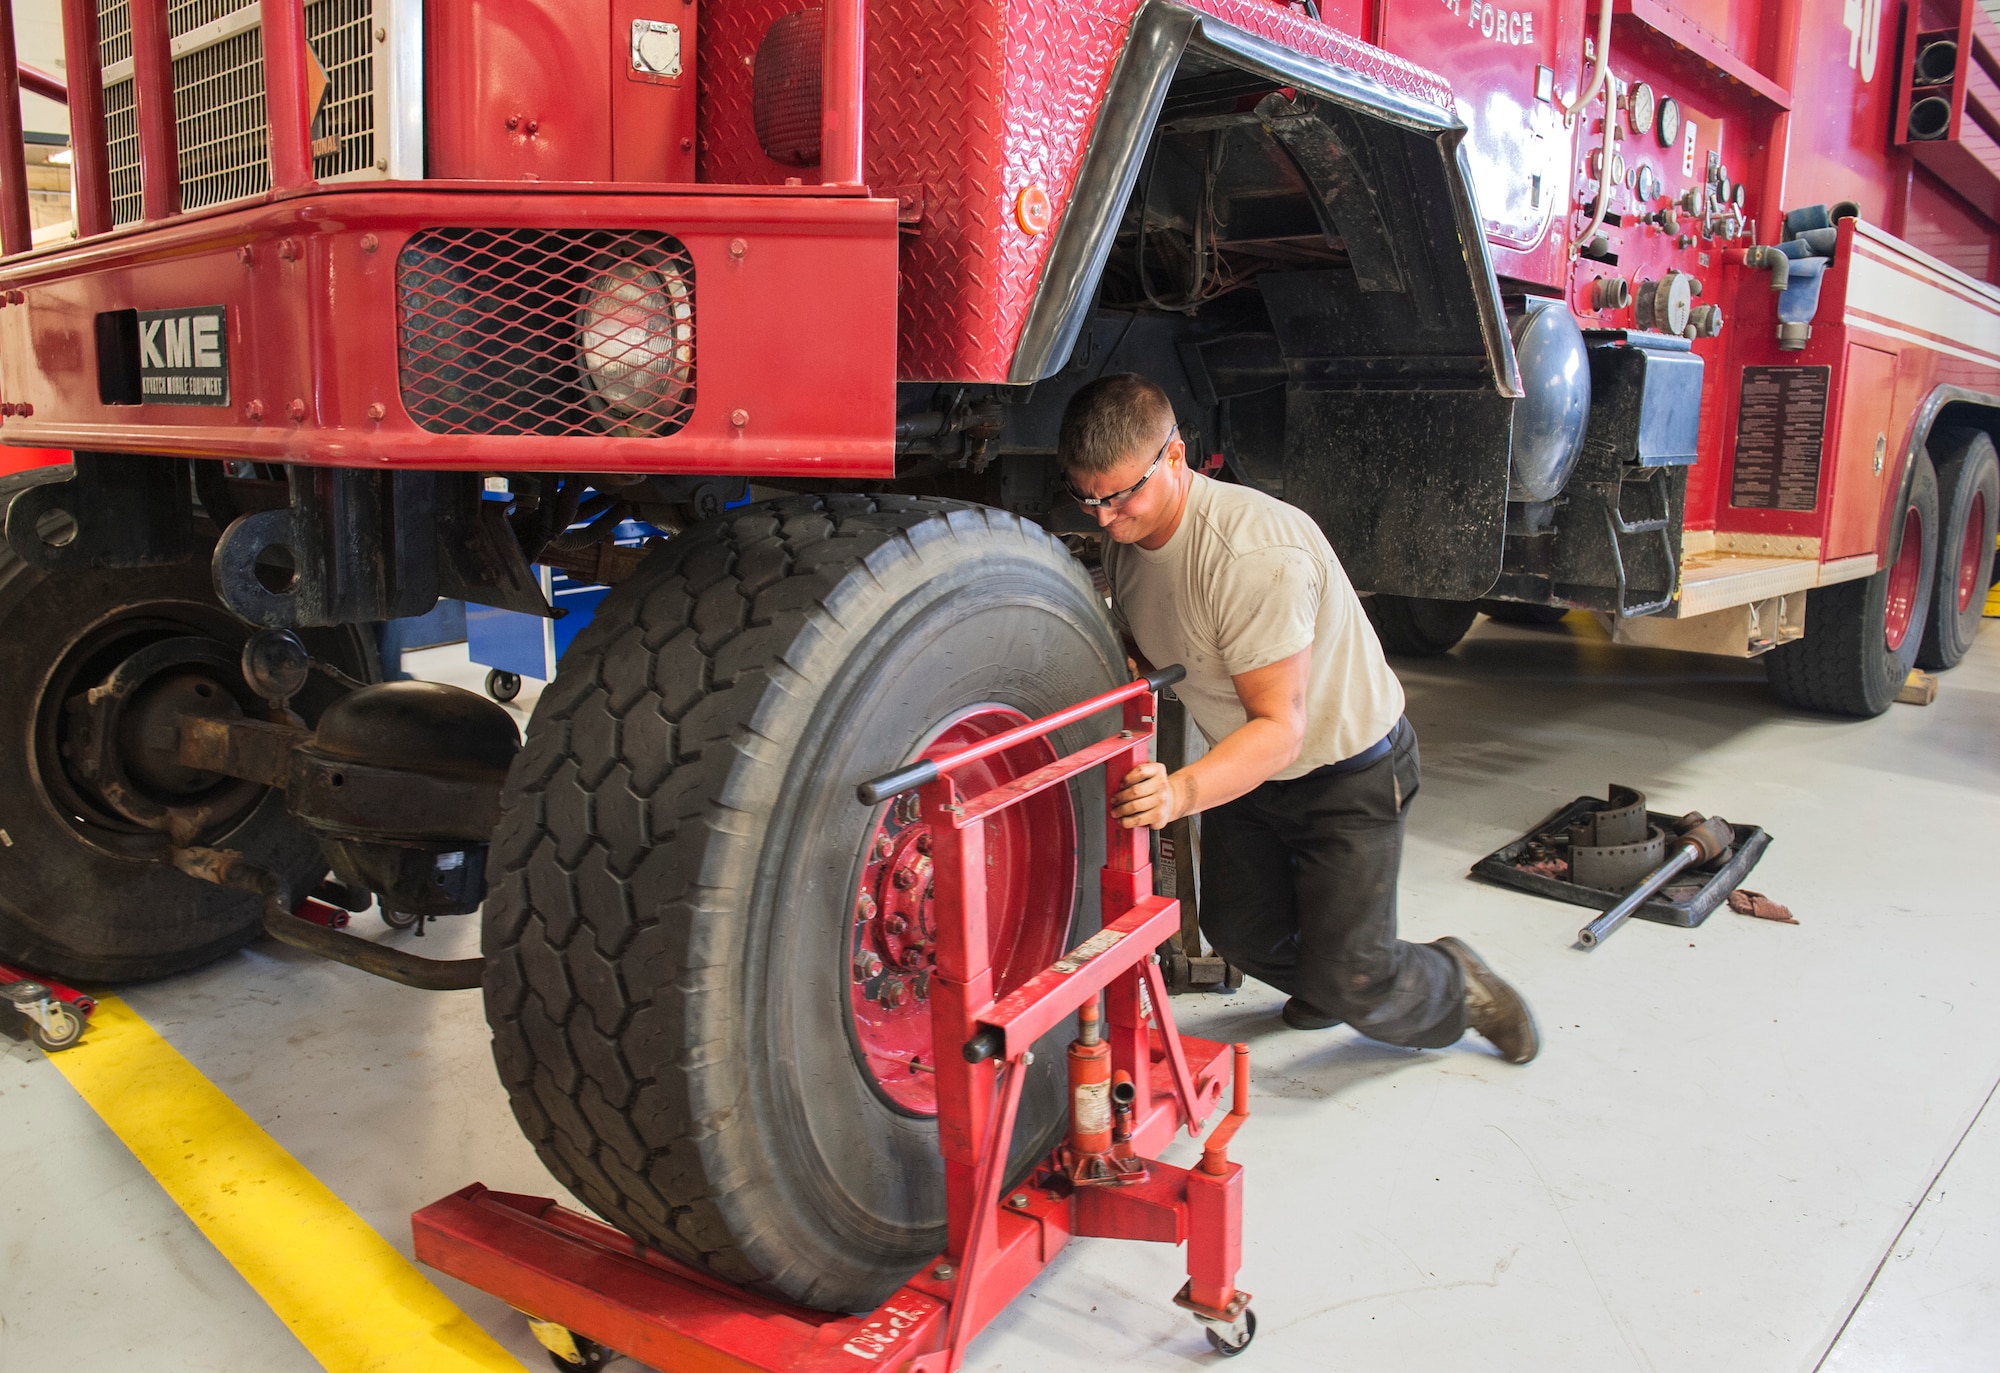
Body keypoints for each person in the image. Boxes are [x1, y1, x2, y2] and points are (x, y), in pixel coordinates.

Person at [1058, 373, 1537, 1063]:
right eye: (1088, 496)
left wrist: (1180, 792)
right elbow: (1156, 647)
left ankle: (1457, 986)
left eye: (1122, 493)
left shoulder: (1252, 556)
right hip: (1255, 772)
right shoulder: (1126, 541)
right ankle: (1333, 973)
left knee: (1359, 983)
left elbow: (1279, 729)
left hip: (1348, 772)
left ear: (1175, 456)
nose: (1103, 516)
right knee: (1240, 934)